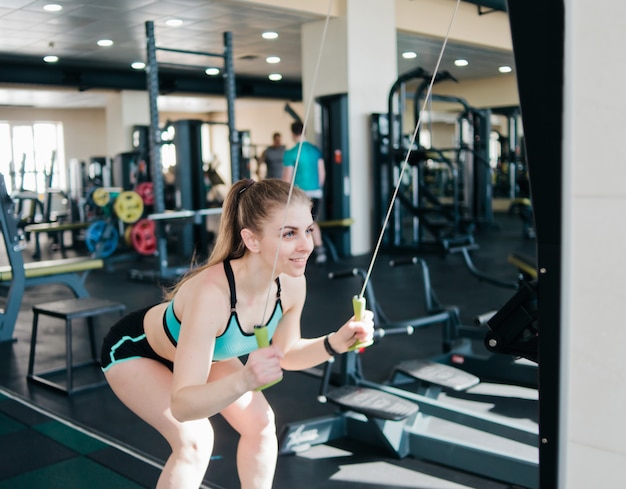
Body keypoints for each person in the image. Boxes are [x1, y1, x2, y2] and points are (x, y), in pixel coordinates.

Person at [100, 178, 374, 489]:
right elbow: (183, 406)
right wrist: (244, 379)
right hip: (135, 351)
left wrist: (337, 342)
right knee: (196, 442)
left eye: (308, 230)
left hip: (207, 354)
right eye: (289, 233)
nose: (306, 245)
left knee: (261, 424)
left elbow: (286, 353)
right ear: (252, 240)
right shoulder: (211, 294)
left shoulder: (291, 282)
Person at [282, 121, 327, 264]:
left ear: (292, 133)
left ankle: (306, 251)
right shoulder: (315, 150)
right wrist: (316, 189)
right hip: (316, 192)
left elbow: (286, 179)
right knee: (311, 222)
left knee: (300, 223)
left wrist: (283, 196)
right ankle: (319, 252)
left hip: (300, 195)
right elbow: (322, 175)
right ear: (305, 131)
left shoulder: (291, 153)